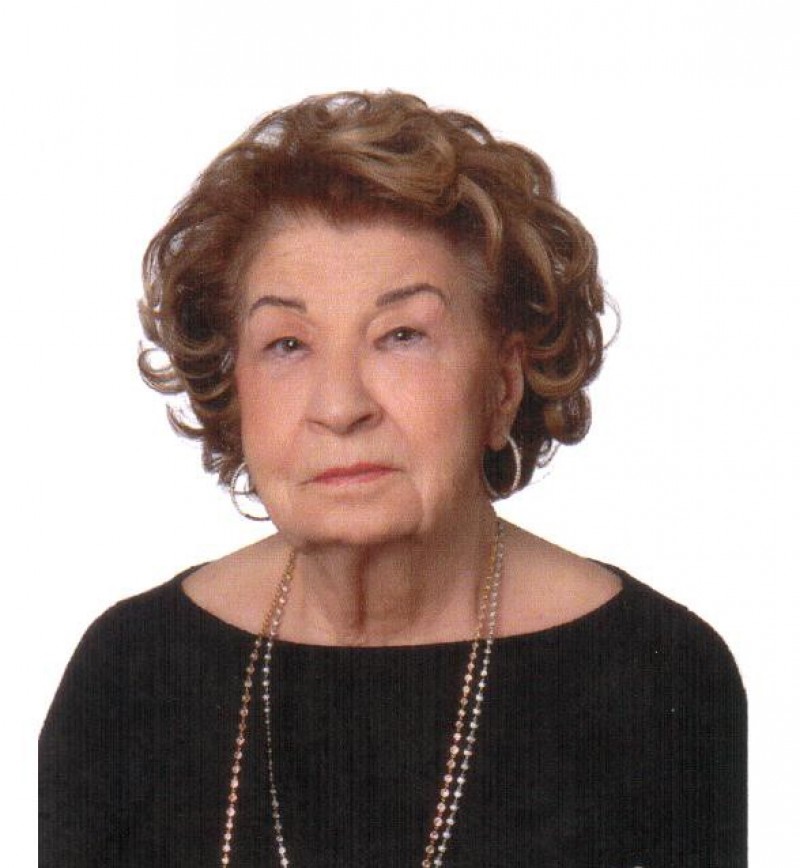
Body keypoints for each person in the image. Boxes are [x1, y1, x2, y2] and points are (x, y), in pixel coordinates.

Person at [38, 91, 746, 867]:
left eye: (401, 335)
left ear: (503, 383)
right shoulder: (132, 673)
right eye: (286, 344)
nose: (340, 406)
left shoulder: (659, 678)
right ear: (232, 387)